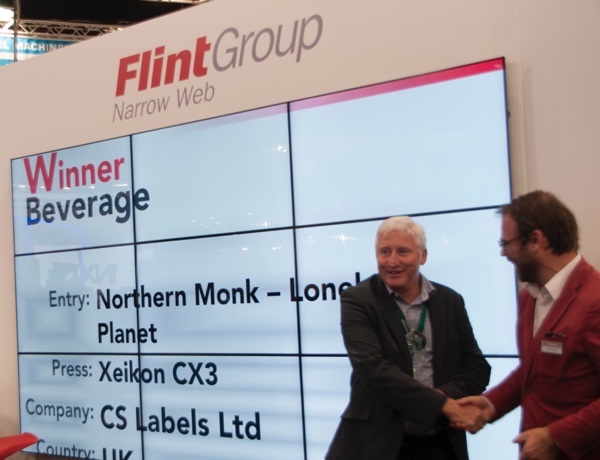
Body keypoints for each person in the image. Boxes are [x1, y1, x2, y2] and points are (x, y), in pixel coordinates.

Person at [325, 216, 490, 460]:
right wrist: (443, 406)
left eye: (403, 251)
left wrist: (440, 398)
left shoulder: (450, 300)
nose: (392, 261)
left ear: (423, 256)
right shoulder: (357, 300)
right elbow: (373, 370)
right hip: (377, 443)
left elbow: (477, 368)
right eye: (384, 252)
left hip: (439, 441)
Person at [458, 190, 600, 460]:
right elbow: (535, 373)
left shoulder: (594, 301)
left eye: (506, 242)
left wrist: (555, 437)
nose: (502, 252)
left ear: (535, 240)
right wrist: (491, 404)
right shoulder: (530, 298)